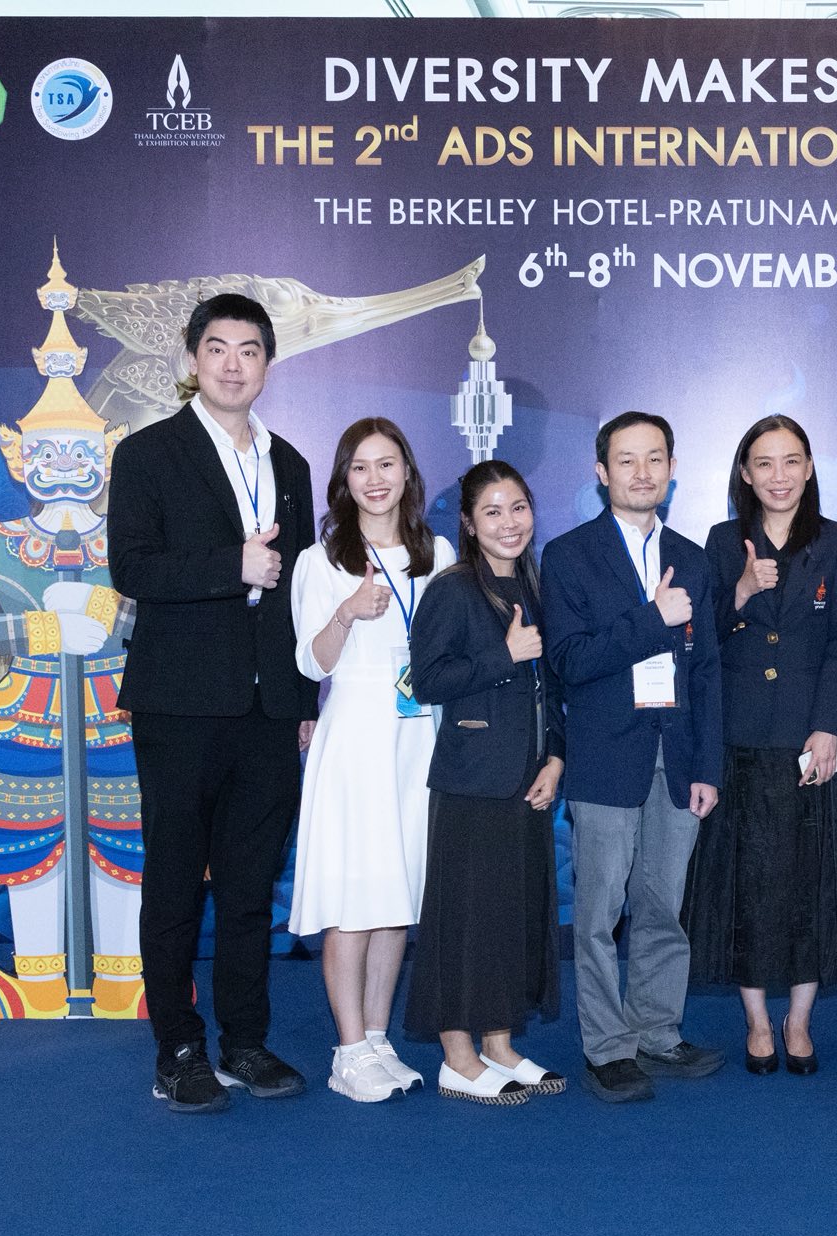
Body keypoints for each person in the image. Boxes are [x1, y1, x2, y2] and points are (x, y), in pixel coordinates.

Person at [107, 293, 317, 1114]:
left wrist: (303, 697)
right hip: (181, 704)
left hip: (270, 708)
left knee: (249, 885)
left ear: (268, 364)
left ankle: (245, 1041)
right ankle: (178, 1048)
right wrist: (232, 564)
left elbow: (299, 590)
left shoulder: (290, 463)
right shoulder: (148, 453)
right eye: (218, 348)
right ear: (192, 359)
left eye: (250, 350)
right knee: (173, 883)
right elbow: (133, 568)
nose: (234, 364)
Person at [540, 411, 726, 1103]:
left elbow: (706, 670)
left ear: (672, 470)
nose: (641, 472)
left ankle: (655, 1030)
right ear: (601, 472)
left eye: (654, 459)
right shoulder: (569, 556)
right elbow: (569, 661)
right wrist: (652, 619)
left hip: (677, 758)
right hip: (604, 757)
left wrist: (708, 767)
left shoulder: (693, 558)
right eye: (626, 460)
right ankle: (608, 1048)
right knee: (597, 916)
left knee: (663, 907)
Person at [683, 415, 837, 1074]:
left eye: (791, 461)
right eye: (764, 463)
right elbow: (698, 641)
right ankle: (758, 1021)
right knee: (748, 886)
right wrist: (738, 593)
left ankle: (799, 1020)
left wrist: (829, 726)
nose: (779, 476)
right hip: (740, 736)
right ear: (744, 472)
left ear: (810, 468)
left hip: (809, 741)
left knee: (809, 884)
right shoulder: (721, 541)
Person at [287, 417, 454, 1102]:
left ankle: (378, 1039)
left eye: (387, 464)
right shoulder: (321, 560)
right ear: (344, 480)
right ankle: (348, 1049)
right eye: (360, 467)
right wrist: (349, 612)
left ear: (407, 472)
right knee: (354, 898)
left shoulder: (438, 552)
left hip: (420, 739)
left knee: (397, 897)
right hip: (356, 738)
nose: (375, 479)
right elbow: (311, 662)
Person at [405, 460, 567, 1106]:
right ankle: (457, 1056)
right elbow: (428, 680)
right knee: (463, 920)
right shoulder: (451, 589)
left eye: (518, 507)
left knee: (509, 918)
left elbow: (551, 685)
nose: (509, 523)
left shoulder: (534, 583)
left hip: (528, 779)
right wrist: (505, 656)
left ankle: (500, 1045)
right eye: (492, 512)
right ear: (470, 524)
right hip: (471, 783)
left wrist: (555, 757)